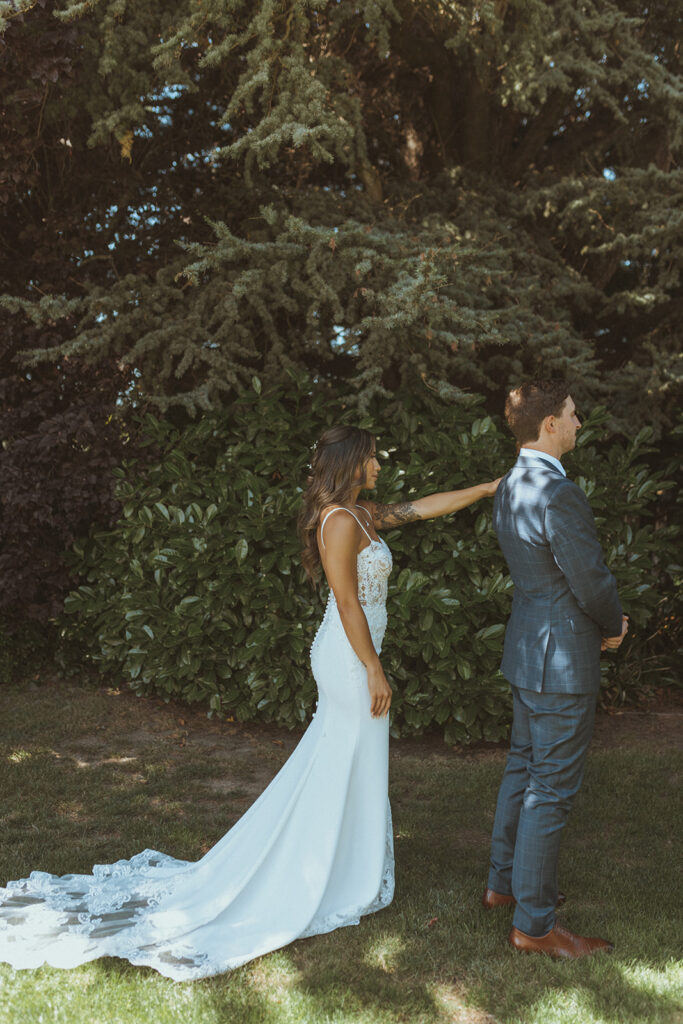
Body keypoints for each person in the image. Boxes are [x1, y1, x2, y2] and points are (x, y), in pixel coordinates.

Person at [0, 424, 500, 981]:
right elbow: (347, 602)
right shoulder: (338, 522)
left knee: (347, 763)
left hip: (357, 654)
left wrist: (483, 489)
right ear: (350, 464)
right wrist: (374, 669)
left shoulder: (363, 514)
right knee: (345, 759)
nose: (380, 465)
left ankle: (342, 868)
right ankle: (323, 875)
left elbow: (422, 508)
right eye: (373, 459)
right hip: (349, 658)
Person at [483, 381, 628, 959]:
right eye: (572, 416)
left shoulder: (510, 484)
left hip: (526, 649)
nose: (578, 424)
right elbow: (588, 578)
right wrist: (614, 623)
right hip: (561, 658)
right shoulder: (558, 493)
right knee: (550, 788)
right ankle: (535, 924)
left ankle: (502, 885)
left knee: (523, 767)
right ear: (548, 424)